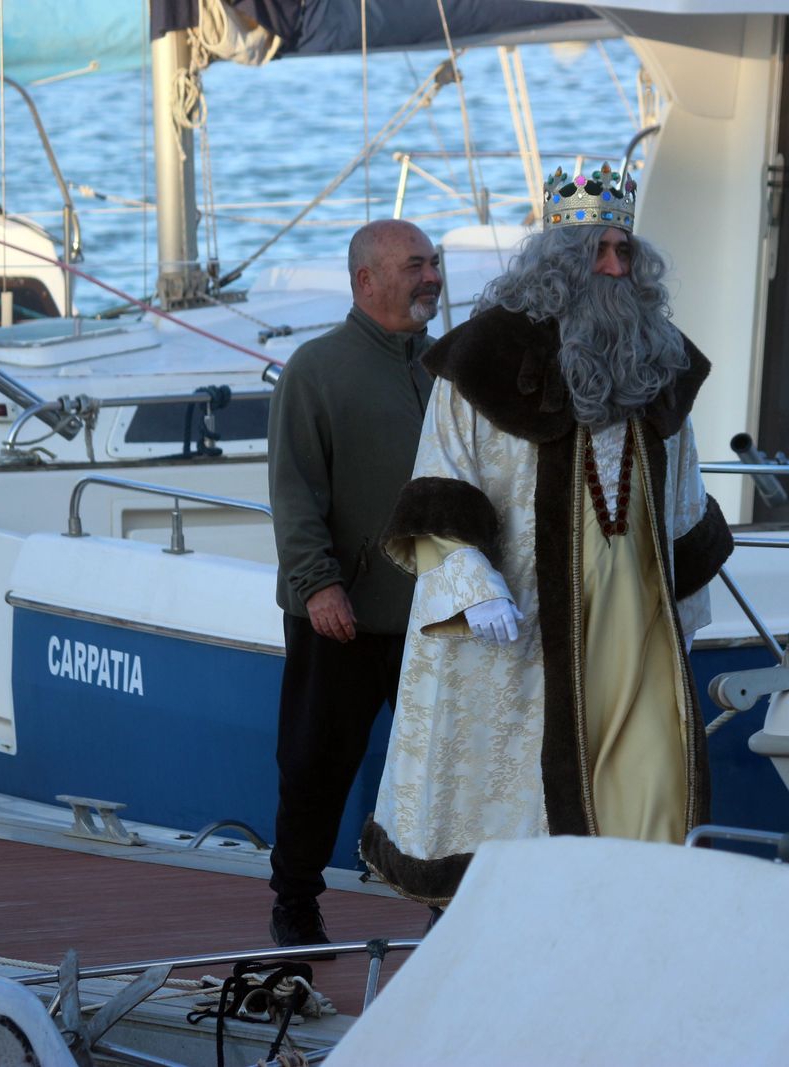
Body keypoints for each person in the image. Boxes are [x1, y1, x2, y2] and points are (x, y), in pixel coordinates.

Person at [357, 165, 734, 906]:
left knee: (646, 791)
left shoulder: (658, 362)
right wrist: (473, 581)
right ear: (560, 263)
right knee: (519, 802)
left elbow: (684, 495)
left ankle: (628, 926)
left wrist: (686, 612)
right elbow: (440, 484)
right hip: (522, 628)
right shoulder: (480, 361)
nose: (617, 269)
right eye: (602, 252)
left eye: (627, 253)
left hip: (634, 623)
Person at [266, 219, 442, 949]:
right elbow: (293, 490)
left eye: (434, 263)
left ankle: (445, 906)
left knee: (442, 774)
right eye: (414, 265)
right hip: (340, 614)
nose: (431, 276)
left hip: (433, 617)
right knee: (314, 767)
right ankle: (295, 904)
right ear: (366, 279)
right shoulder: (317, 368)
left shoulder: (448, 369)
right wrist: (317, 586)